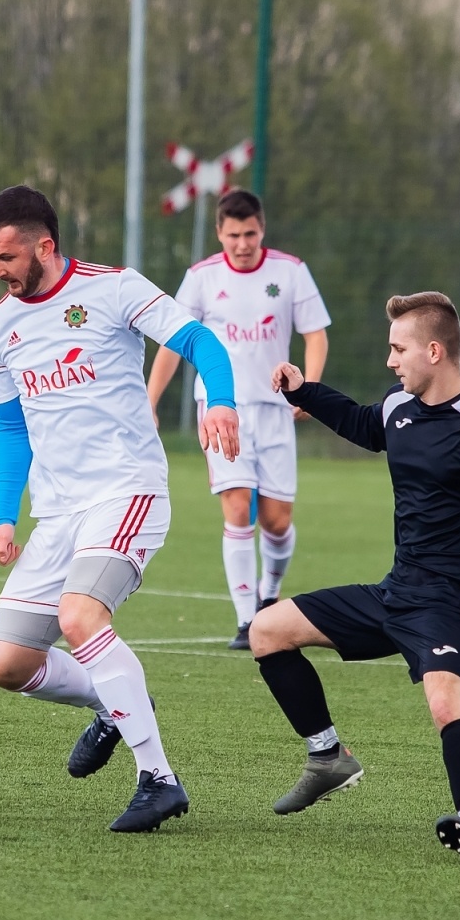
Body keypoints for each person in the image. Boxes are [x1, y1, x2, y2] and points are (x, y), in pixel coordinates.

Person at [251, 291, 460, 864]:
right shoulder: (400, 408)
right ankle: (327, 757)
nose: (391, 361)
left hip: (453, 603)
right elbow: (364, 424)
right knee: (267, 629)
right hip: (395, 591)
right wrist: (303, 390)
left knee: (446, 701)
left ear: (434, 350)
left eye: (399, 349)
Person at [0, 185, 241, 832]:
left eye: (6, 256)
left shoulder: (113, 288)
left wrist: (224, 399)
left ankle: (159, 778)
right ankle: (119, 703)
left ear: (45, 245)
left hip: (127, 490)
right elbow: (10, 428)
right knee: (7, 665)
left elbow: (200, 341)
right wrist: (4, 514)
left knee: (79, 616)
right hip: (58, 513)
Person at [145, 190, 331, 650]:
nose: (242, 243)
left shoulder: (290, 271)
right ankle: (248, 621)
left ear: (261, 229)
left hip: (274, 410)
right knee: (237, 508)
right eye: (233, 235)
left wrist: (310, 389)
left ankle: (270, 595)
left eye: (250, 234)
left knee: (276, 520)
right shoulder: (201, 278)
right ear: (219, 233)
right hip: (220, 408)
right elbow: (173, 341)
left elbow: (316, 335)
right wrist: (150, 399)